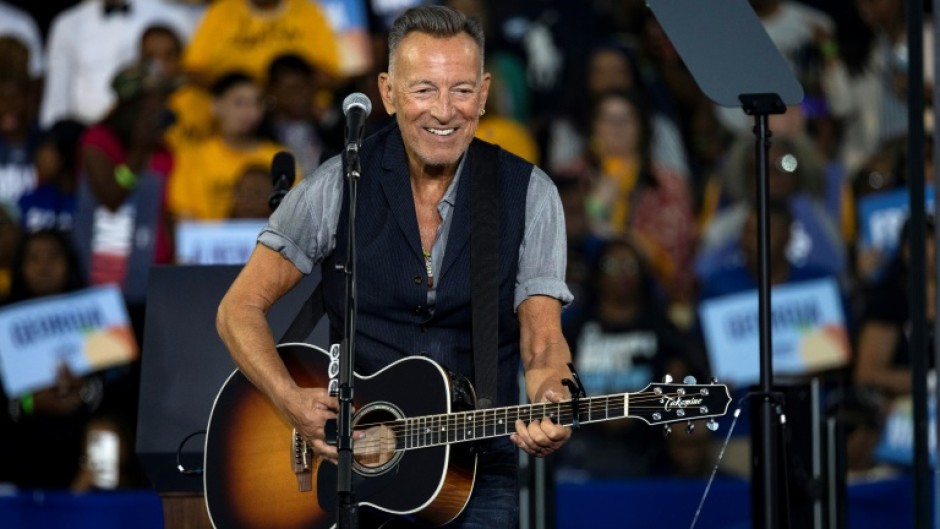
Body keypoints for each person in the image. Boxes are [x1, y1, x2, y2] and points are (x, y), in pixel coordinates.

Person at [216, 6, 574, 527]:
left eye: (461, 90)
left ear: (484, 93)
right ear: (387, 93)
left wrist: (553, 397)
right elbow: (238, 309)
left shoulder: (530, 194)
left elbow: (543, 341)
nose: (444, 112)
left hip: (473, 468)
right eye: (424, 89)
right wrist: (287, 397)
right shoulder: (338, 182)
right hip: (354, 467)